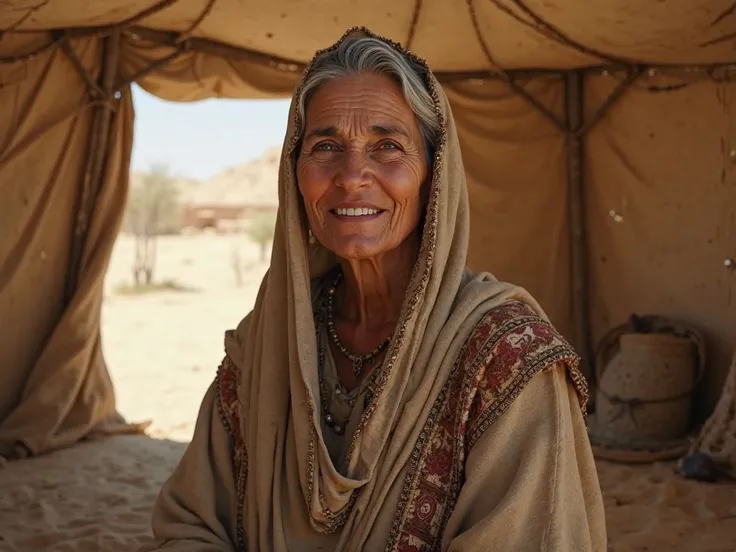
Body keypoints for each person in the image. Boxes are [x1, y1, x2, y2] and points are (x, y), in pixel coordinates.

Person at [139, 28, 606, 552]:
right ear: (294, 174)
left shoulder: (506, 359)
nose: (352, 174)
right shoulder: (266, 346)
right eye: (325, 146)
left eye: (387, 145)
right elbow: (189, 524)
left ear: (434, 174)